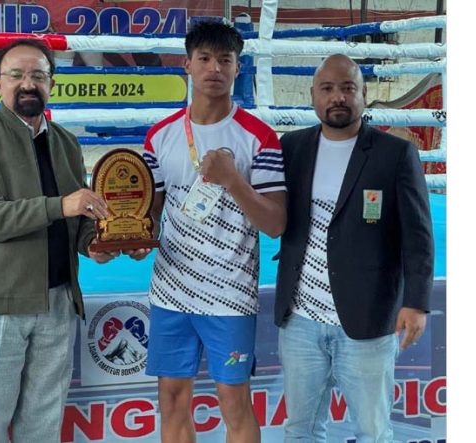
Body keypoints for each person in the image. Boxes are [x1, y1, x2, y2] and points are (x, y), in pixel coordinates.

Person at [0, 38, 146, 443]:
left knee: (43, 423)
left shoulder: (65, 141)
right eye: (17, 74)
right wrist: (59, 206)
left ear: (52, 85)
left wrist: (97, 244)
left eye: (39, 76)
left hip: (59, 299)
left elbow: (77, 217)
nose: (28, 83)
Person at [274, 54, 434, 442]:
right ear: (313, 95)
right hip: (300, 321)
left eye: (348, 88)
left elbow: (418, 234)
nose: (338, 97)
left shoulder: (394, 154)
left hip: (368, 320)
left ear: (363, 94)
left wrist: (416, 302)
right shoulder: (291, 148)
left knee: (372, 431)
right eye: (327, 89)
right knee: (301, 430)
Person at [141, 20, 287, 443]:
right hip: (170, 290)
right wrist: (129, 237)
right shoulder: (159, 137)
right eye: (204, 58)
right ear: (187, 64)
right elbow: (153, 212)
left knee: (233, 401)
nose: (214, 68)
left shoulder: (259, 138)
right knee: (170, 397)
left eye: (225, 60)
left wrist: (233, 180)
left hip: (229, 292)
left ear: (238, 68)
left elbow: (275, 224)